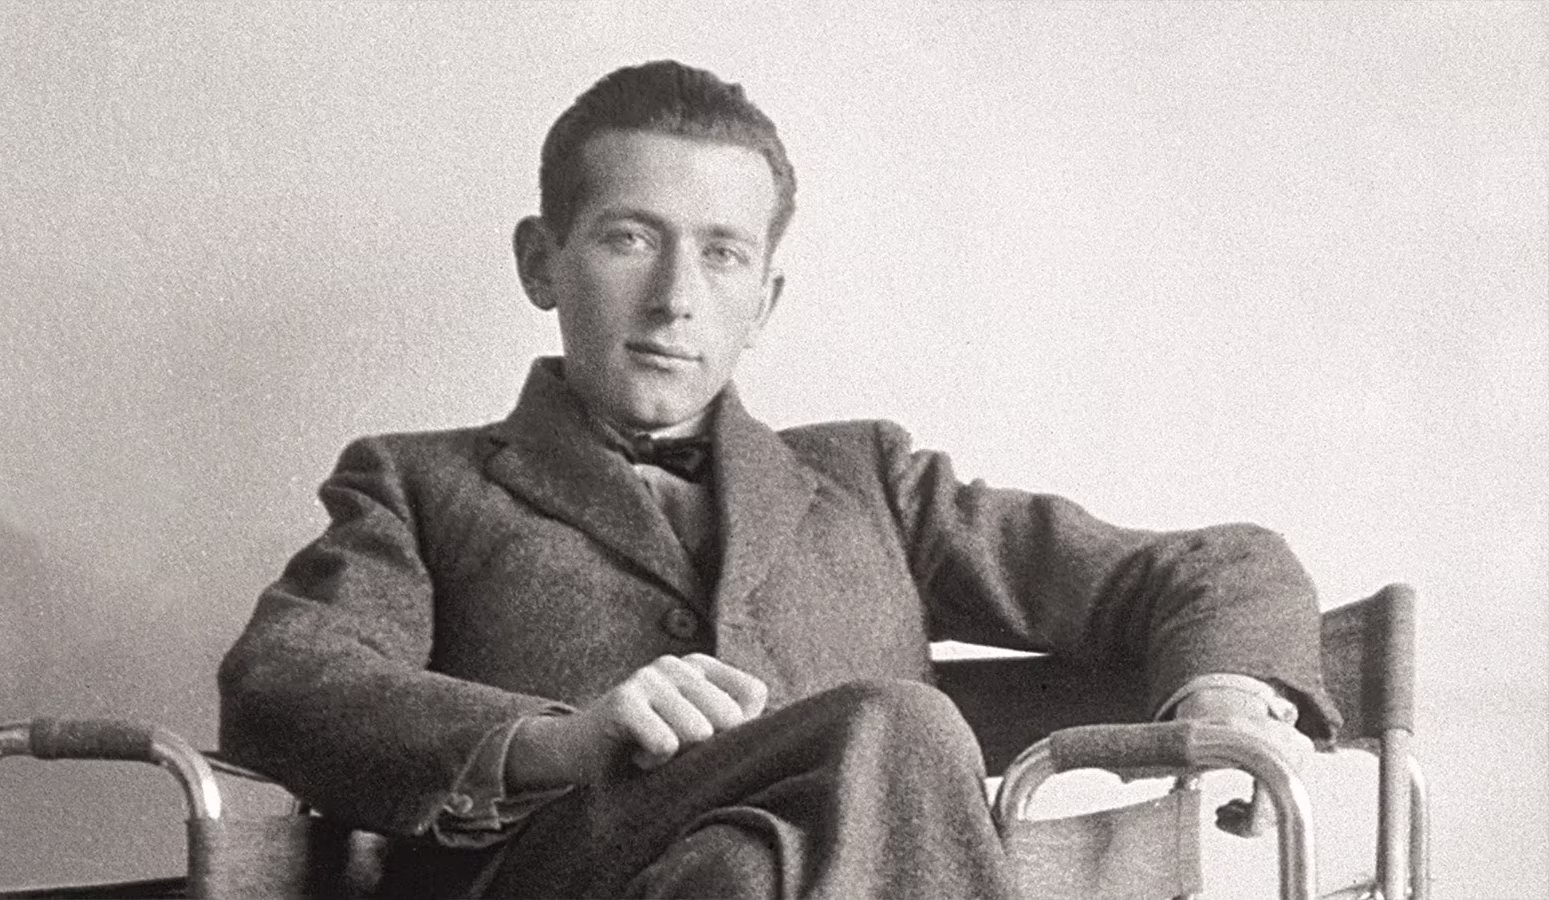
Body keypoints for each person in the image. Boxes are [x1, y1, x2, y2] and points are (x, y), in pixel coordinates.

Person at [218, 60, 1340, 898]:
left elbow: (1224, 566)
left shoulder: (870, 480)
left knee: (744, 874)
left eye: (722, 253)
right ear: (540, 260)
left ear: (764, 301)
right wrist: (561, 738)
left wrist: (1227, 697)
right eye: (629, 239)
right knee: (896, 725)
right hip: (560, 878)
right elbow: (285, 682)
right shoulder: (417, 484)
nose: (675, 298)